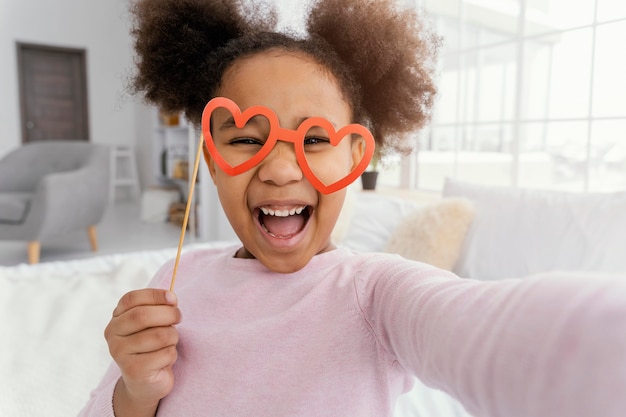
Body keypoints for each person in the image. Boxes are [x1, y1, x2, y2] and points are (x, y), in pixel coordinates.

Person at [79, 0, 626, 416]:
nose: (281, 169)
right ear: (213, 159)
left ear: (356, 158)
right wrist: (137, 388)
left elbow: (494, 333)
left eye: (314, 140)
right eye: (246, 138)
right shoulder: (176, 280)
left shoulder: (376, 293)